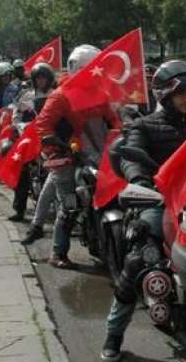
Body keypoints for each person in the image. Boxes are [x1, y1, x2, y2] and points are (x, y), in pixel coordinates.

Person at [100, 60, 186, 361]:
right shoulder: (145, 126)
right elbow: (131, 156)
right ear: (166, 95)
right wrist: (139, 181)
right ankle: (113, 335)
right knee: (139, 259)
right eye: (181, 94)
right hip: (158, 201)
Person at [34, 45, 122, 269]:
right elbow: (43, 125)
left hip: (99, 153)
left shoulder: (100, 93)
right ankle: (57, 252)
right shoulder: (61, 95)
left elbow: (113, 120)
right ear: (76, 69)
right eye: (88, 69)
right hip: (69, 154)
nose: (93, 73)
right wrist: (55, 143)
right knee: (70, 205)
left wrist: (125, 134)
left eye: (95, 68)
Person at [7, 62, 56, 222]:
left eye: (44, 78)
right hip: (31, 137)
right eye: (38, 78)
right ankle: (19, 209)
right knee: (22, 168)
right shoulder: (26, 96)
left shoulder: (56, 95)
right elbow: (16, 115)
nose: (41, 81)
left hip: (52, 137)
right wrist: (20, 125)